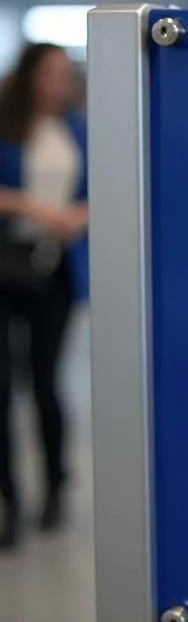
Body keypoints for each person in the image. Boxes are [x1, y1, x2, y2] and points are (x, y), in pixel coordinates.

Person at [0, 43, 87, 550]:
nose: (58, 82)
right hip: (7, 263)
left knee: (45, 382)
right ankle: (8, 498)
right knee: (2, 388)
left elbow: (106, 185)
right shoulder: (8, 124)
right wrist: (31, 206)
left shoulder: (77, 128)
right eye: (50, 73)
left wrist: (80, 215)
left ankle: (55, 483)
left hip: (54, 270)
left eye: (64, 74)